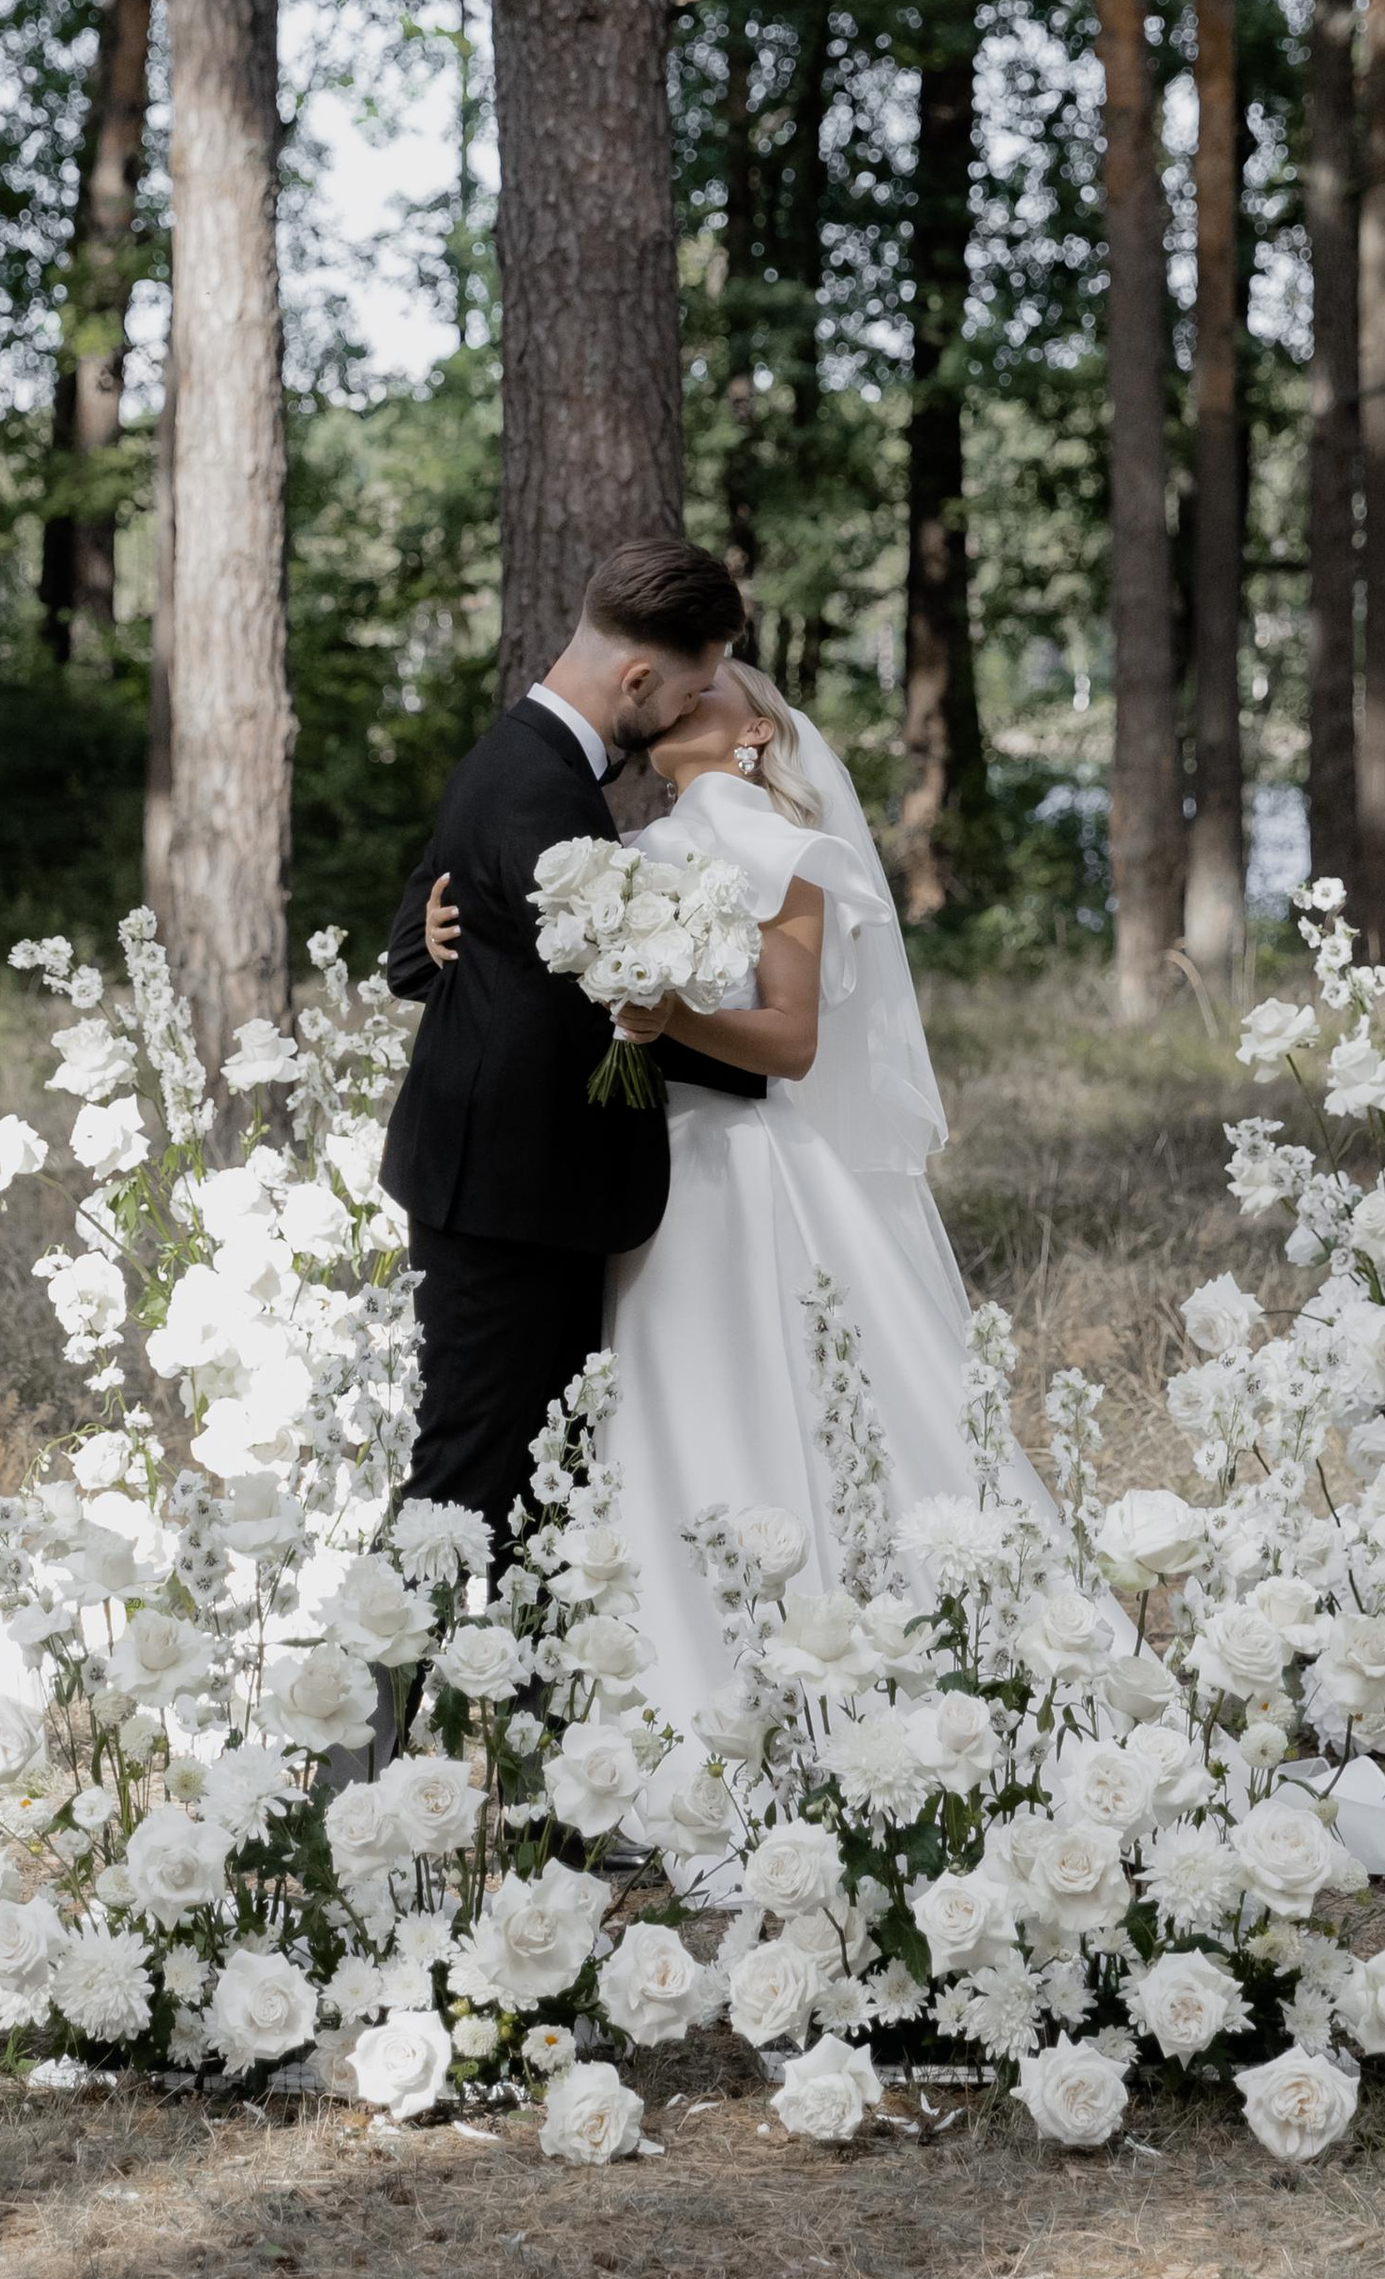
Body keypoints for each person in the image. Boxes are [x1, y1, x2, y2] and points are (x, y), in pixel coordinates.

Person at [419, 649, 1068, 1737]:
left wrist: (668, 1017)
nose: (684, 695)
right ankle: (634, 1690)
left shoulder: (786, 852)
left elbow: (791, 1040)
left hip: (741, 1172)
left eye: (715, 687)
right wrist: (439, 942)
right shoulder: (618, 851)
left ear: (755, 733)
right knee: (648, 1421)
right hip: (631, 1174)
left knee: (769, 1403)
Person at [381, 537, 765, 1558]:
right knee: (461, 1486)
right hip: (509, 1199)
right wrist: (769, 1066)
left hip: (511, 1189)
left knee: (534, 1485)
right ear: (638, 676)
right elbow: (595, 1007)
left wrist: (430, 948)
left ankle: (516, 1709)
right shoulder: (542, 791)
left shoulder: (514, 755)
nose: (694, 711)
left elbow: (420, 927)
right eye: (689, 690)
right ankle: (346, 1722)